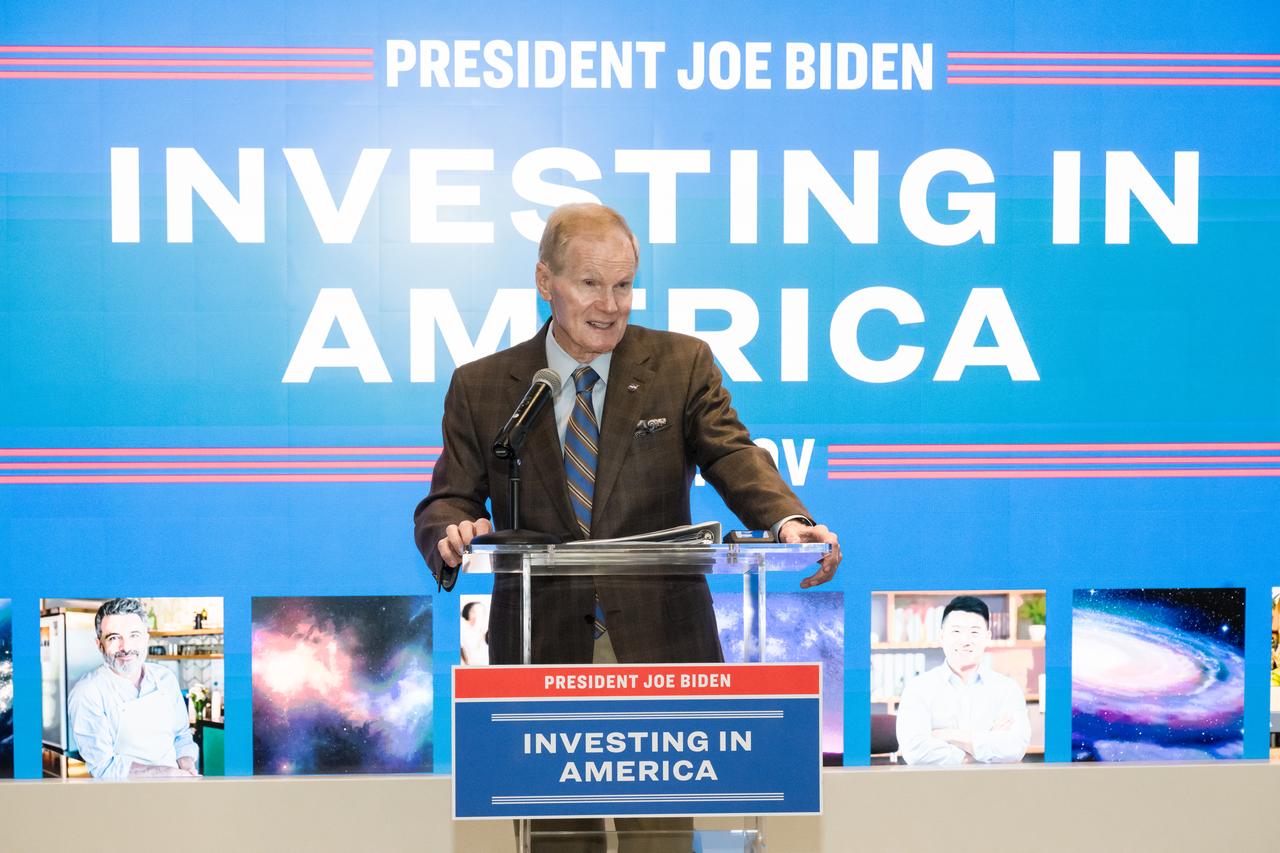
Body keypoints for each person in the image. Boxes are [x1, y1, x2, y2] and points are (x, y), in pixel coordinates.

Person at [413, 202, 841, 851]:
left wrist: (786, 518)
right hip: (541, 652)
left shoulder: (680, 364)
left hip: (660, 647)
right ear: (544, 281)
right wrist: (450, 530)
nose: (611, 304)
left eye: (623, 284)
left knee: (658, 840)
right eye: (590, 283)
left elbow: (732, 453)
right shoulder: (484, 387)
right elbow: (447, 499)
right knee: (559, 840)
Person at [67, 598, 200, 779]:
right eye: (114, 637)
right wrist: (166, 773)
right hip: (124, 799)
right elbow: (104, 767)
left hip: (174, 789)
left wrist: (187, 766)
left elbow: (181, 736)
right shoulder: (87, 693)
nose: (126, 647)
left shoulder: (165, 678)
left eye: (134, 635)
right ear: (99, 644)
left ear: (146, 638)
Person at [895, 595, 1031, 765]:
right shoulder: (918, 688)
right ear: (942, 636)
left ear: (987, 637)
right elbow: (915, 751)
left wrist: (946, 735)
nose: (965, 641)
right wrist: (980, 748)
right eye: (956, 631)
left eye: (974, 632)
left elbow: (1014, 748)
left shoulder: (1007, 689)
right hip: (934, 788)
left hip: (994, 787)